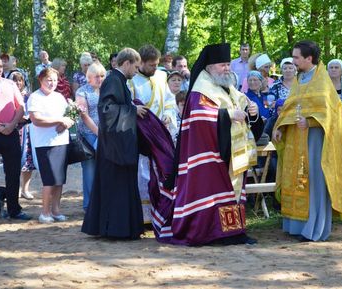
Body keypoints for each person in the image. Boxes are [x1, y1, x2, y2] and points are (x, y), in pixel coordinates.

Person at [157, 43, 264, 246]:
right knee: (216, 193)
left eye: (227, 64)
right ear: (209, 67)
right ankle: (215, 232)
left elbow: (241, 104)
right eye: (222, 65)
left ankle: (234, 231)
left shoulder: (227, 86)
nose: (227, 68)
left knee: (234, 192)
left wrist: (252, 111)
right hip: (210, 152)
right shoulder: (201, 90)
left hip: (232, 149)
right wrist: (232, 115)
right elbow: (201, 119)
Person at [271, 40, 342, 242]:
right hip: (296, 140)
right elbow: (290, 107)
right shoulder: (300, 79)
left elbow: (331, 116)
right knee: (297, 179)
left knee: (314, 180)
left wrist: (310, 122)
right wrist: (280, 126)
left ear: (309, 58)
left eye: (297, 57)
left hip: (316, 140)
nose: (293, 60)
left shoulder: (322, 80)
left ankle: (314, 228)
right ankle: (295, 226)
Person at [82, 48, 147, 239]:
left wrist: (131, 108)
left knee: (120, 185)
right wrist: (132, 111)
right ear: (126, 63)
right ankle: (114, 229)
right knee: (114, 186)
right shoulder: (113, 80)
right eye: (135, 67)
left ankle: (119, 227)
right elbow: (107, 110)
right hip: (114, 148)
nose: (136, 71)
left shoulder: (119, 81)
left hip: (118, 144)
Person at [128, 44, 178, 224]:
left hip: (161, 133)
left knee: (162, 171)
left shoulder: (162, 75)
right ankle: (144, 216)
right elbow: (128, 105)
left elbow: (170, 101)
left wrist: (168, 115)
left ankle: (162, 212)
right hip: (142, 136)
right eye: (151, 65)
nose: (155, 68)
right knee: (143, 174)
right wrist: (134, 110)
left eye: (156, 64)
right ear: (141, 63)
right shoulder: (131, 80)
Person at [0, 56, 32, 225]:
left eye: (0, 66)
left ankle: (14, 209)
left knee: (13, 173)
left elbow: (21, 107)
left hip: (11, 133)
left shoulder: (10, 84)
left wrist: (12, 124)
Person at [28, 68, 74, 223]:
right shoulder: (35, 97)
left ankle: (55, 210)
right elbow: (36, 120)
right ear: (41, 80)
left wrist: (68, 122)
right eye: (49, 79)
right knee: (49, 180)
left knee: (59, 179)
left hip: (62, 141)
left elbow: (69, 116)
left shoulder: (60, 97)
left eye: (55, 80)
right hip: (44, 144)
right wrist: (59, 121)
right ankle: (45, 212)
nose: (52, 83)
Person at [75, 62, 106, 212]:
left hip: (106, 135)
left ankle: (102, 202)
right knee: (90, 170)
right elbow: (84, 115)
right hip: (89, 135)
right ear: (89, 78)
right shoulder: (82, 91)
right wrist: (98, 132)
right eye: (96, 76)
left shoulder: (107, 90)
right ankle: (89, 205)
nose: (100, 79)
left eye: (102, 76)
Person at [10, 72, 36, 200]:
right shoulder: (8, 95)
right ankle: (16, 189)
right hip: (14, 130)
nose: (18, 83)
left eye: (20, 80)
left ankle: (25, 189)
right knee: (14, 161)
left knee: (28, 161)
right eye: (15, 80)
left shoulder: (29, 96)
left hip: (27, 130)